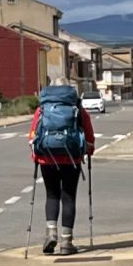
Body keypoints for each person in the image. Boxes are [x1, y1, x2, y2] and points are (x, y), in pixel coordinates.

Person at [31, 79, 95, 256]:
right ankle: (67, 241)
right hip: (71, 159)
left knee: (52, 195)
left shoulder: (42, 108)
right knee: (68, 197)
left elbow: (32, 135)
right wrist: (88, 151)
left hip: (47, 159)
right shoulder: (77, 108)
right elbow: (89, 137)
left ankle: (51, 232)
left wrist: (36, 156)